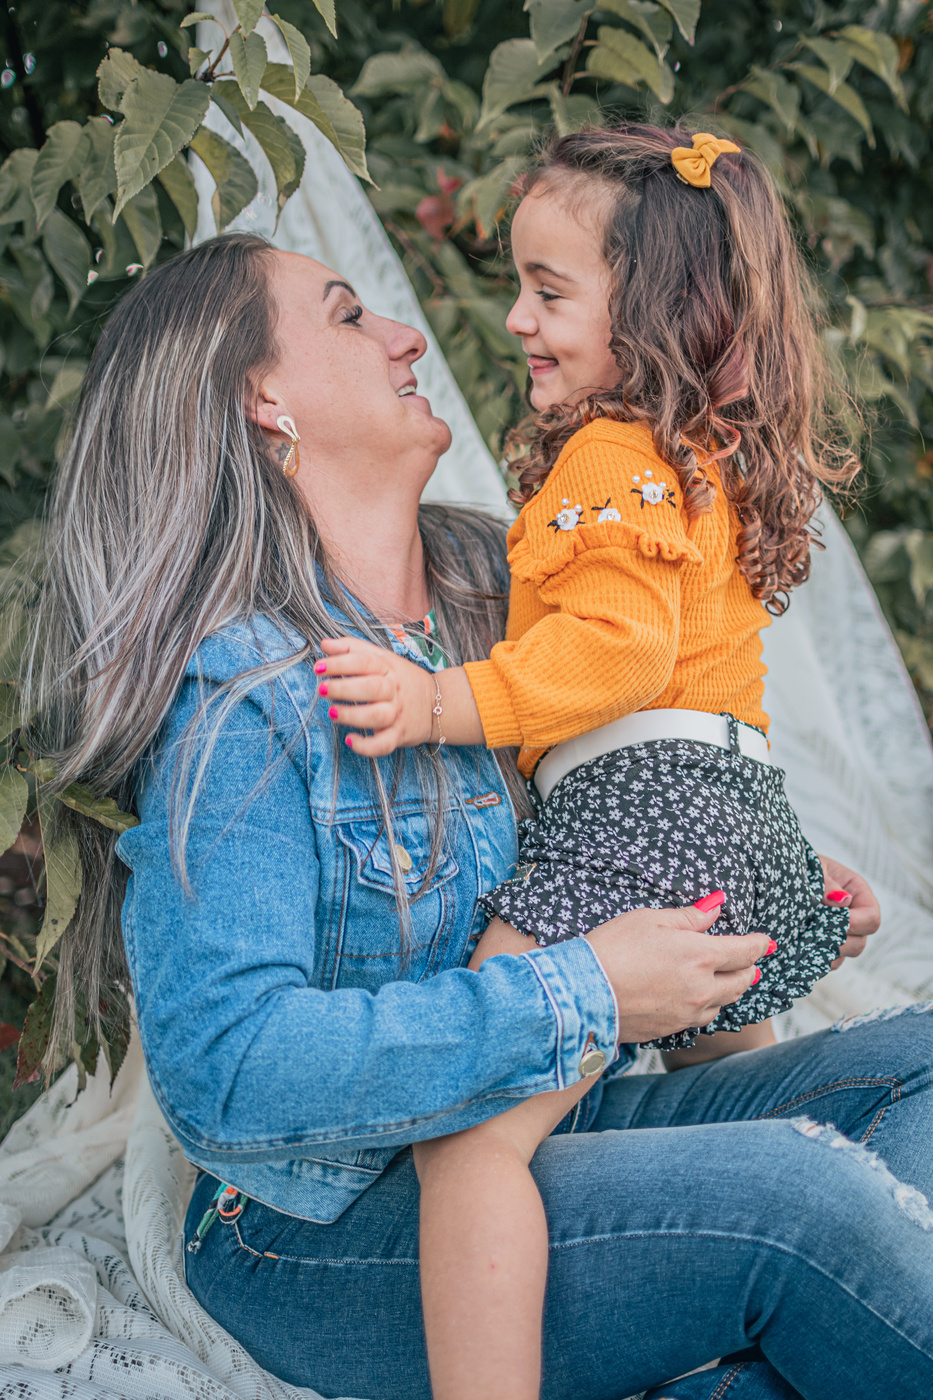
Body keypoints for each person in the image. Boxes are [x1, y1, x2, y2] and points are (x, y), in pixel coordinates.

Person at [22, 231, 933, 1400]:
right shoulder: (243, 698)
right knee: (800, 1202)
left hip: (560, 1132)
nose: (408, 336)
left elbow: (632, 808)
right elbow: (230, 1067)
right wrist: (586, 990)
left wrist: (759, 886)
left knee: (917, 1066)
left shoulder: (500, 590)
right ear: (263, 397)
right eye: (350, 315)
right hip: (324, 1225)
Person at [308, 124, 888, 1400]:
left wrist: (442, 701)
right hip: (725, 802)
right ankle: (761, 1329)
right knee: (731, 1102)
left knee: (469, 1136)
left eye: (549, 290)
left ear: (654, 312)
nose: (516, 318)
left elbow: (620, 660)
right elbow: (709, 690)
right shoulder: (699, 461)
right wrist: (779, 859)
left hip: (640, 815)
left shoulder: (612, 458)